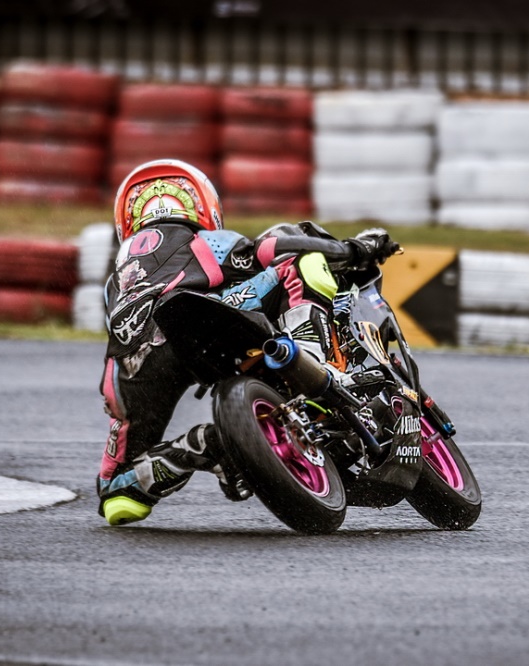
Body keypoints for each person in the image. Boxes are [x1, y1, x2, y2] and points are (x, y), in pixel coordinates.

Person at [96, 158, 398, 526]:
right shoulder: (202, 240)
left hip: (130, 364)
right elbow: (274, 248)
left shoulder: (115, 280)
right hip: (200, 314)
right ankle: (316, 359)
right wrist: (354, 250)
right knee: (298, 261)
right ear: (204, 207)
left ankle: (196, 447)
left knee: (117, 495)